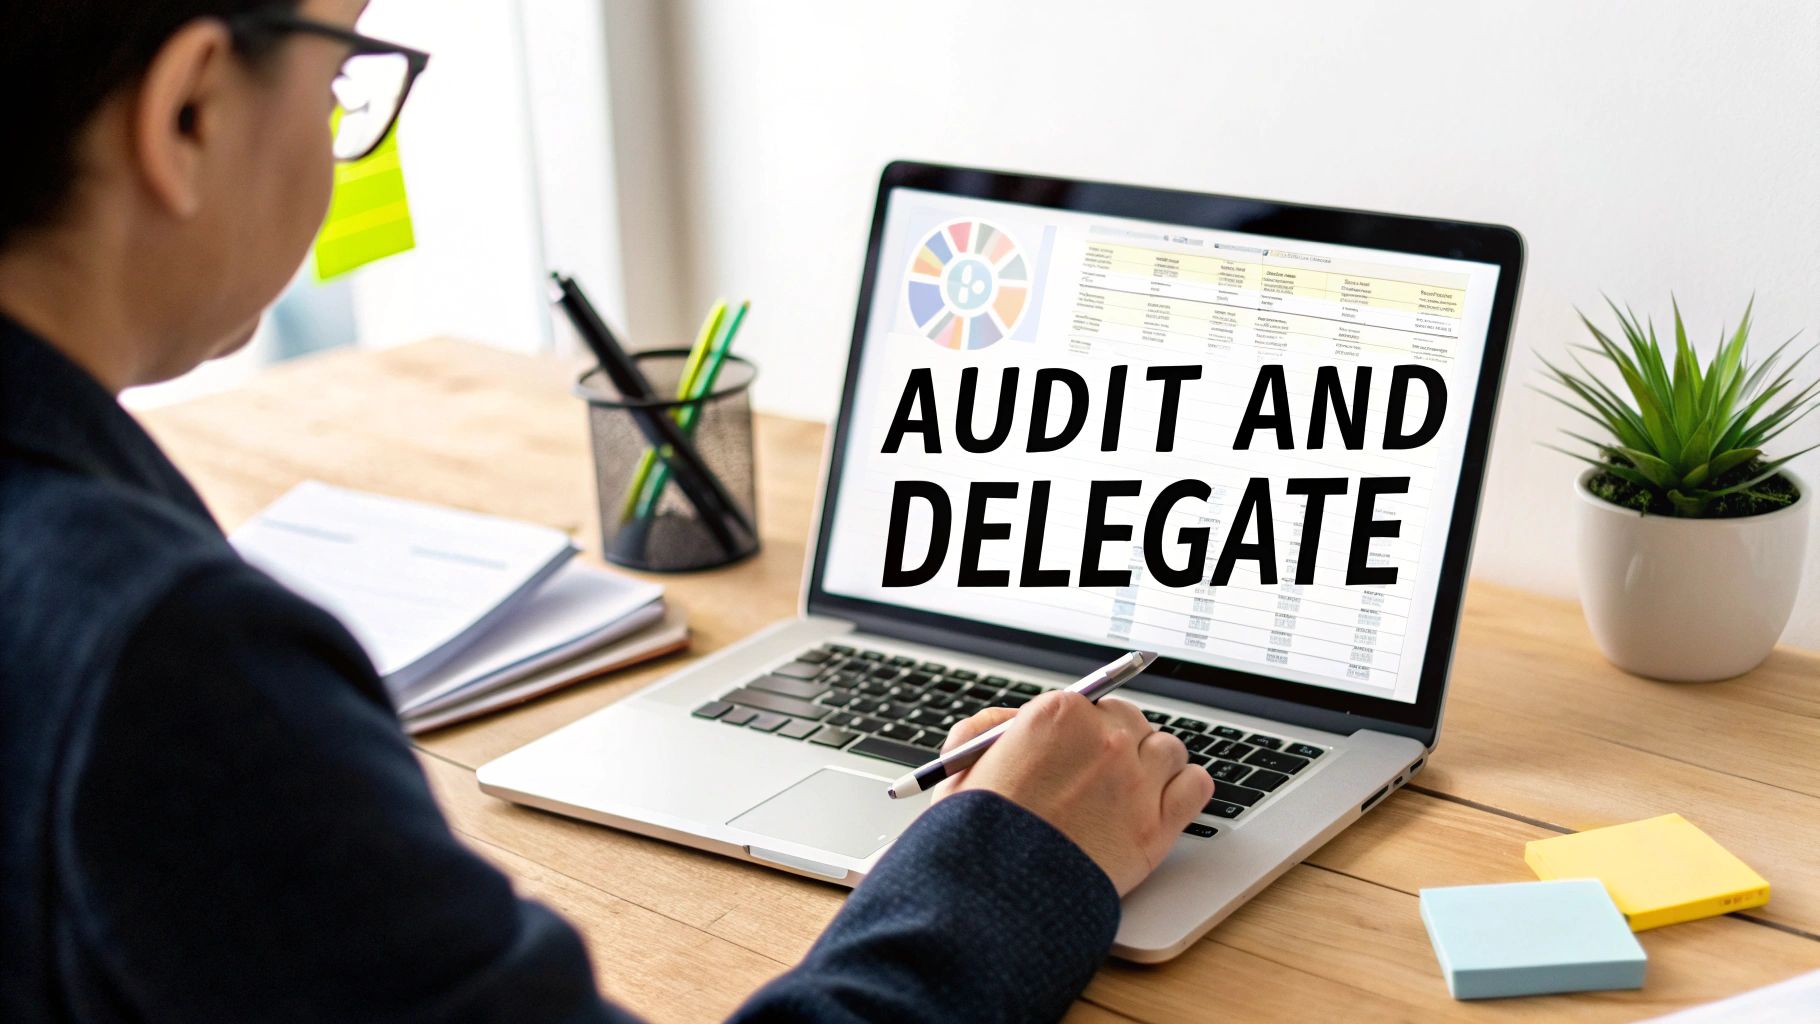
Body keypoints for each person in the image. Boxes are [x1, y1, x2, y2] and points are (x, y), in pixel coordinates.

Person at [0, 2, 1215, 1020]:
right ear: (187, 112)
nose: (339, 136)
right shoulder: (169, 662)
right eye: (340, 77)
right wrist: (1010, 856)